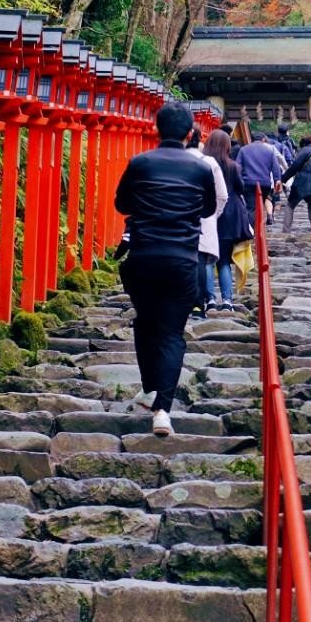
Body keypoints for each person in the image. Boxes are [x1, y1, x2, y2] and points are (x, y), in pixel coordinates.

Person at [112, 102, 225, 435]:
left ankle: (150, 390)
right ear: (191, 134)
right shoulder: (200, 168)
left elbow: (122, 203)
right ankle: (162, 407)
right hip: (183, 259)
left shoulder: (140, 163)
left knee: (145, 323)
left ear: (156, 129)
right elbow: (206, 209)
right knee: (172, 332)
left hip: (144, 255)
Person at [197, 130, 246, 308]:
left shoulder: (201, 164)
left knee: (207, 259)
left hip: (207, 213)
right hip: (229, 216)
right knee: (225, 260)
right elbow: (240, 188)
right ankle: (227, 300)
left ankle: (210, 298)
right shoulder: (232, 166)